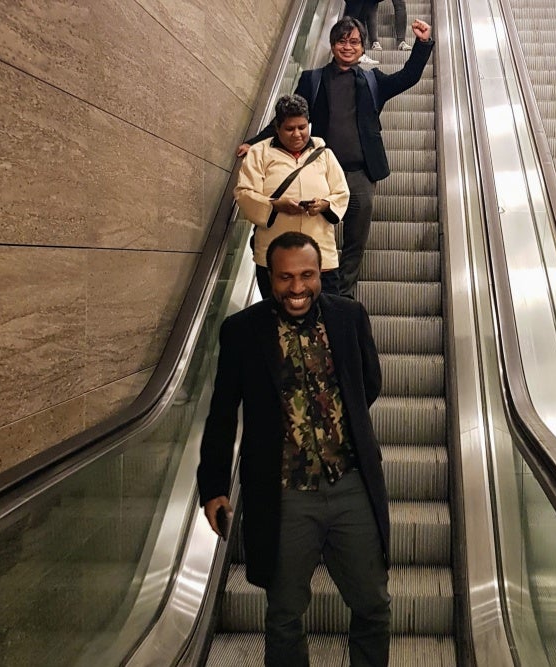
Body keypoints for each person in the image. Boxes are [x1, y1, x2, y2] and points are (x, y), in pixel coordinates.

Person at [197, 231, 389, 666]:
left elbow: (368, 385)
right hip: (282, 495)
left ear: (320, 272)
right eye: (285, 278)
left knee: (373, 605)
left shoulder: (349, 317)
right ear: (269, 276)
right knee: (284, 615)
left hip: (351, 486)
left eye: (307, 275)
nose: (297, 288)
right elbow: (223, 412)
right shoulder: (242, 332)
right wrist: (213, 488)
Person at [238, 16, 434, 298]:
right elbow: (288, 119)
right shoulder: (313, 79)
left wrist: (423, 43)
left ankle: (343, 296)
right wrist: (254, 142)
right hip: (320, 173)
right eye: (342, 40)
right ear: (332, 45)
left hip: (360, 174)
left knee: (355, 240)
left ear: (363, 47)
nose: (347, 46)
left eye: (354, 41)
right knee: (314, 232)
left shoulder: (372, 80)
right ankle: (310, 289)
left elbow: (408, 77)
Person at [236, 94, 349, 298]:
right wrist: (275, 205)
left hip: (321, 255)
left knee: (326, 317)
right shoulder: (259, 153)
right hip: (274, 255)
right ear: (277, 128)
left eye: (302, 127)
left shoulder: (324, 154)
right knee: (276, 318)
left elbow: (341, 193)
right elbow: (244, 193)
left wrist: (324, 204)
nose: (297, 134)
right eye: (289, 129)